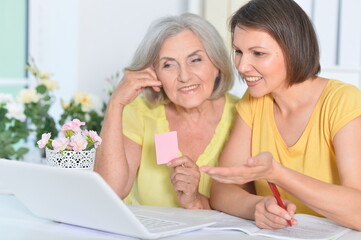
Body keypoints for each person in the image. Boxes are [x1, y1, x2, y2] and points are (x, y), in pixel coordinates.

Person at [200, 0, 361, 230]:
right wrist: (258, 206)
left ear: (293, 49)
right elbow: (222, 189)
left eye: (258, 53)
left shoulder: (343, 101)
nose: (243, 66)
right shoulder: (255, 101)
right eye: (238, 51)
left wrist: (279, 174)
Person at [94, 13, 238, 210]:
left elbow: (246, 205)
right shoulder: (139, 113)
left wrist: (196, 199)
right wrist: (115, 104)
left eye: (195, 60)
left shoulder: (243, 115)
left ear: (217, 64)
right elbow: (109, 192)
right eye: (168, 65)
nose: (185, 76)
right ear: (154, 74)